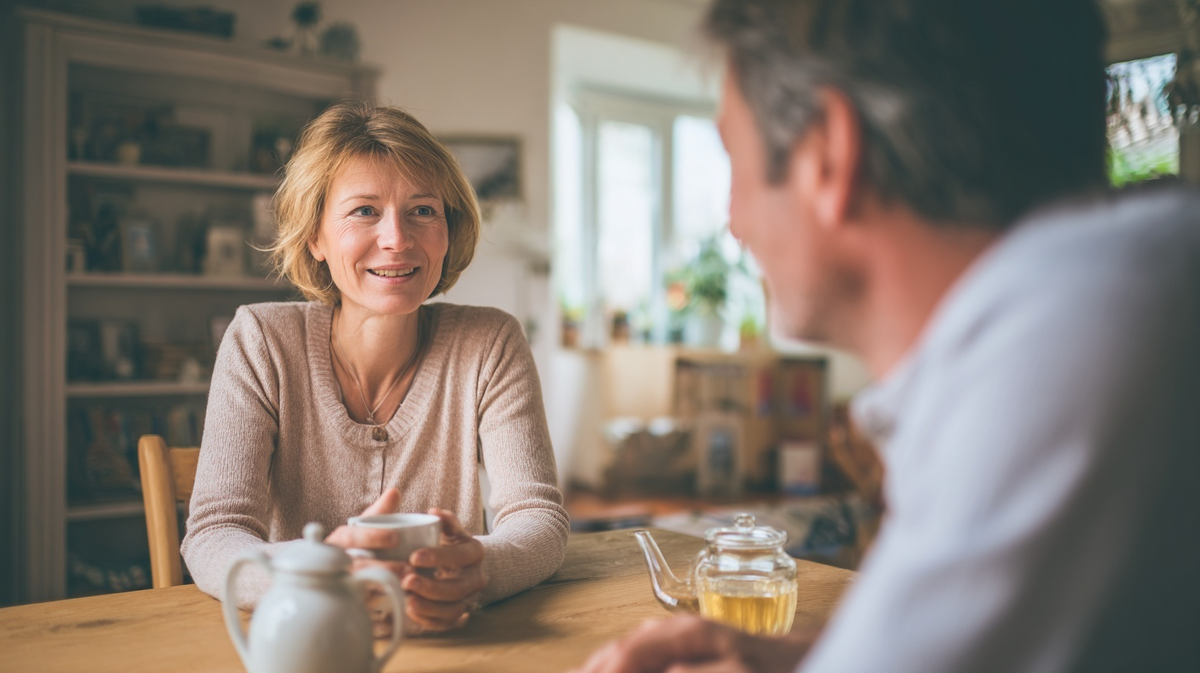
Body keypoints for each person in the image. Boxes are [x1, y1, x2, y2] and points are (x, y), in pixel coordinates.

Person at [576, 1, 1200, 671]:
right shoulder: (1127, 282)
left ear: (828, 153)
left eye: (733, 157)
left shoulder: (1063, 354)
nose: (733, 222)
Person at [182, 101, 569, 634]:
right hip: (304, 646)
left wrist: (477, 570)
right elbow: (214, 533)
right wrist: (314, 575)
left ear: (449, 231)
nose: (398, 239)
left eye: (423, 210)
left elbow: (539, 519)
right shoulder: (261, 340)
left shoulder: (490, 342)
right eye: (364, 210)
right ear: (315, 235)